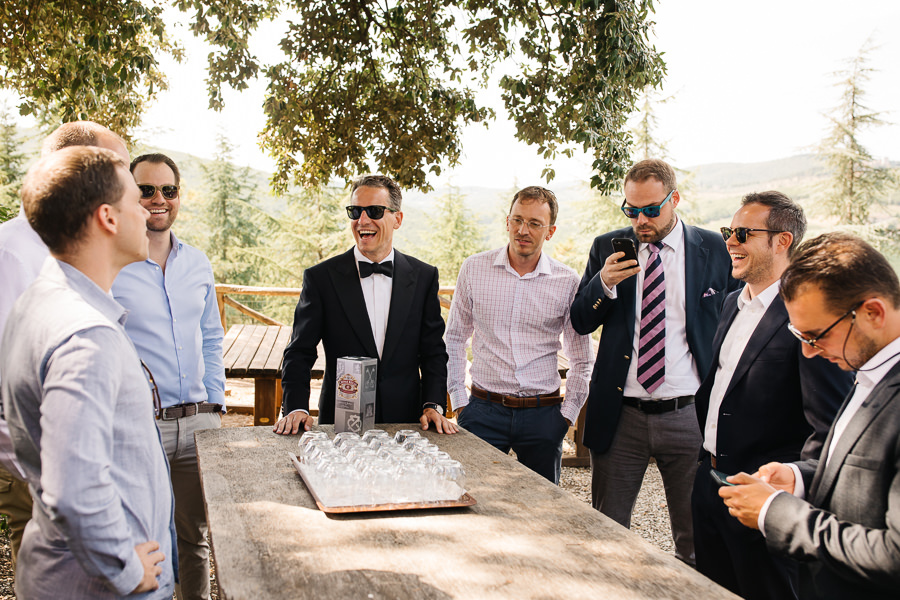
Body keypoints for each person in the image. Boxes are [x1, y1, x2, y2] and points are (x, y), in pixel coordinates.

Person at [0, 146, 176, 598]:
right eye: (136, 199)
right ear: (108, 218)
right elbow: (74, 488)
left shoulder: (39, 301)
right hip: (97, 586)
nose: (147, 210)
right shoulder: (86, 336)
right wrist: (124, 567)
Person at [570, 158, 739, 564]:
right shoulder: (606, 247)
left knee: (696, 538)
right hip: (620, 414)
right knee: (607, 536)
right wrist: (604, 283)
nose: (640, 220)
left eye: (650, 209)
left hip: (690, 414)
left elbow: (739, 316)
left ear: (674, 199)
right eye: (631, 210)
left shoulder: (714, 248)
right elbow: (580, 320)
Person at [720, 232, 900, 600]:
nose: (808, 352)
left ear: (873, 313)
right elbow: (862, 475)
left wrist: (775, 512)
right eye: (798, 335)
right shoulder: (867, 367)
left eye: (817, 335)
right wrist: (799, 478)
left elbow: (893, 555)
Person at [691, 192, 851, 599]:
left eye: (743, 233)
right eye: (729, 231)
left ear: (782, 241)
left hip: (764, 497)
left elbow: (828, 426)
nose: (730, 242)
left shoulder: (806, 315)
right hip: (710, 486)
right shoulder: (731, 304)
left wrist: (786, 494)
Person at [0, 120, 130, 569]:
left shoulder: (80, 252)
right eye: (122, 171)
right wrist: (36, 470)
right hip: (41, 474)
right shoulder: (12, 253)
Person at [111, 153, 224, 600]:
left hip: (199, 424)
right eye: (146, 190)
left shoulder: (197, 264)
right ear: (129, 195)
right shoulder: (114, 263)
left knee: (194, 539)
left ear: (178, 196)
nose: (158, 199)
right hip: (141, 426)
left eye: (168, 190)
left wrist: (214, 403)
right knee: (147, 538)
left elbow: (211, 336)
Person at [275, 174, 456, 435]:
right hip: (341, 423)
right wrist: (295, 407)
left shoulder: (424, 277)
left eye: (374, 211)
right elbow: (300, 351)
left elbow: (433, 353)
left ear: (398, 219)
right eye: (355, 211)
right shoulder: (320, 278)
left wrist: (433, 405)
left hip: (409, 424)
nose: (362, 220)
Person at [445, 186, 592, 483]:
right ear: (507, 222)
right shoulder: (474, 268)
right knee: (477, 503)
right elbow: (455, 339)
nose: (523, 230)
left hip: (544, 415)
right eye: (517, 220)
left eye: (535, 223)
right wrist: (460, 402)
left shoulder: (567, 281)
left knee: (543, 512)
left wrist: (566, 416)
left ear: (549, 231)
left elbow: (582, 359)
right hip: (482, 411)